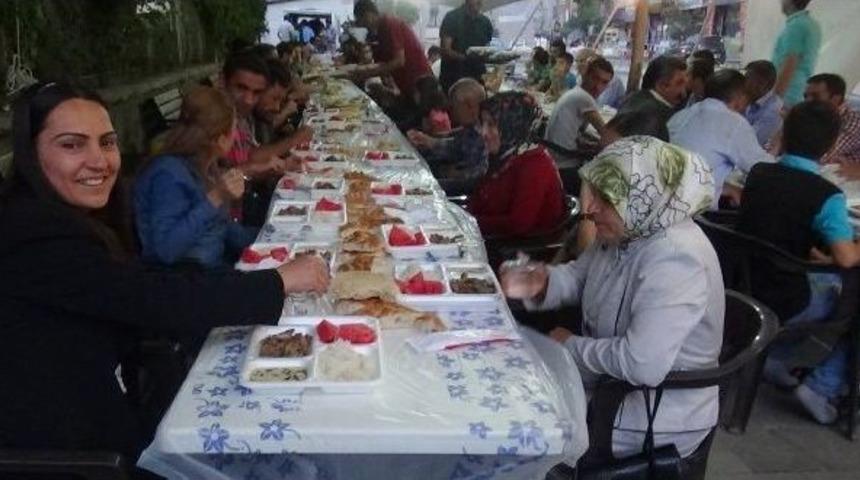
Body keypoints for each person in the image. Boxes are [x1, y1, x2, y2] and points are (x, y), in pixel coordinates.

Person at [0, 81, 329, 460]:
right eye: (72, 144)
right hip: (71, 452)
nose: (99, 160)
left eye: (107, 142)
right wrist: (278, 280)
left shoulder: (64, 218)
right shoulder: (35, 237)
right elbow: (154, 298)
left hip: (102, 407)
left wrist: (259, 280)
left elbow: (139, 282)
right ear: (30, 153)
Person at [501, 136, 723, 459]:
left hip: (653, 413)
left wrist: (570, 346)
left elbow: (642, 363)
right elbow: (579, 277)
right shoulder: (630, 229)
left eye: (605, 198)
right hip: (607, 384)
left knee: (519, 422)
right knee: (510, 380)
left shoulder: (676, 259)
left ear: (643, 199)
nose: (589, 209)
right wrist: (541, 281)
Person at [738, 100, 860, 424]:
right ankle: (823, 386)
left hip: (742, 281)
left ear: (785, 134)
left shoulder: (758, 173)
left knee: (826, 276)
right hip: (787, 297)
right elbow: (847, 258)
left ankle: (774, 360)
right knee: (851, 296)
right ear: (832, 145)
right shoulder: (827, 196)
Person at [135, 87, 254, 268]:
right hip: (187, 281)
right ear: (221, 139)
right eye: (233, 129)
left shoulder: (206, 165)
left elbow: (222, 228)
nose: (235, 135)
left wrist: (268, 240)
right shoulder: (168, 175)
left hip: (217, 266)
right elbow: (165, 250)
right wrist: (216, 198)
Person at [669, 69, 773, 208]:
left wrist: (725, 187)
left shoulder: (681, 116)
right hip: (694, 212)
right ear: (740, 97)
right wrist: (779, 141)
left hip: (661, 200)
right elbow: (765, 170)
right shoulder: (734, 123)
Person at [468, 91, 564, 237]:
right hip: (488, 238)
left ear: (512, 126)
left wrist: (468, 222)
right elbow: (480, 198)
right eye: (483, 123)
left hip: (516, 250)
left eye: (491, 125)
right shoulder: (506, 156)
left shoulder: (535, 164)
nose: (483, 132)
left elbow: (517, 224)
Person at [220, 53, 310, 178]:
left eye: (256, 92)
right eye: (241, 88)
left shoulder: (240, 116)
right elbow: (223, 178)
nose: (248, 100)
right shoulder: (210, 118)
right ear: (223, 81)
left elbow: (249, 159)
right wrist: (294, 139)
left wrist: (282, 165)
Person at [407, 78, 487, 195]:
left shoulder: (483, 134)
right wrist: (428, 141)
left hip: (460, 193)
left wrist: (432, 184)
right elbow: (454, 146)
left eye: (455, 107)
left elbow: (473, 180)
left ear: (469, 106)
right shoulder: (471, 128)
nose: (453, 113)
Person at [351, 0, 431, 101]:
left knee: (424, 114)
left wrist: (368, 73)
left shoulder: (390, 24)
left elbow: (399, 61)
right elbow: (383, 63)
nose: (364, 26)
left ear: (369, 14)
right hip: (404, 81)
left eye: (362, 21)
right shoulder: (378, 31)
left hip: (419, 80)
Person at [544, 56, 614, 157]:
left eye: (604, 82)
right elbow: (606, 134)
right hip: (563, 162)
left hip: (552, 155)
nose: (598, 86)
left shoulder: (576, 92)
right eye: (595, 78)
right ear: (586, 75)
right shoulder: (584, 97)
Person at [619, 55, 688, 130]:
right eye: (680, 83)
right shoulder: (664, 117)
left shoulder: (633, 98)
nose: (684, 90)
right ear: (662, 85)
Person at [773, 0, 821, 107]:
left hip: (786, 94)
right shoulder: (812, 24)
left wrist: (774, 99)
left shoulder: (796, 26)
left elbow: (790, 62)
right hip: (798, 91)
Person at [804, 74, 860, 164]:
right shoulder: (813, 114)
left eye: (815, 96)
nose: (808, 101)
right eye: (806, 96)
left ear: (835, 99)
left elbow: (822, 156)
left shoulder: (854, 121)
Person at [438, 0, 494, 92]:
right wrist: (467, 58)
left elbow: (486, 49)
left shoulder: (485, 22)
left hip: (477, 80)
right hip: (453, 81)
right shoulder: (452, 17)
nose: (479, 1)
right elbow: (446, 50)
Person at [254, 59, 298, 145]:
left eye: (280, 100)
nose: (277, 107)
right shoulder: (242, 121)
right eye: (274, 98)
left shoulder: (261, 118)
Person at [744, 60, 784, 147]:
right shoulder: (752, 99)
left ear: (762, 84)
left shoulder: (773, 110)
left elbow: (750, 142)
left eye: (747, 79)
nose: (743, 83)